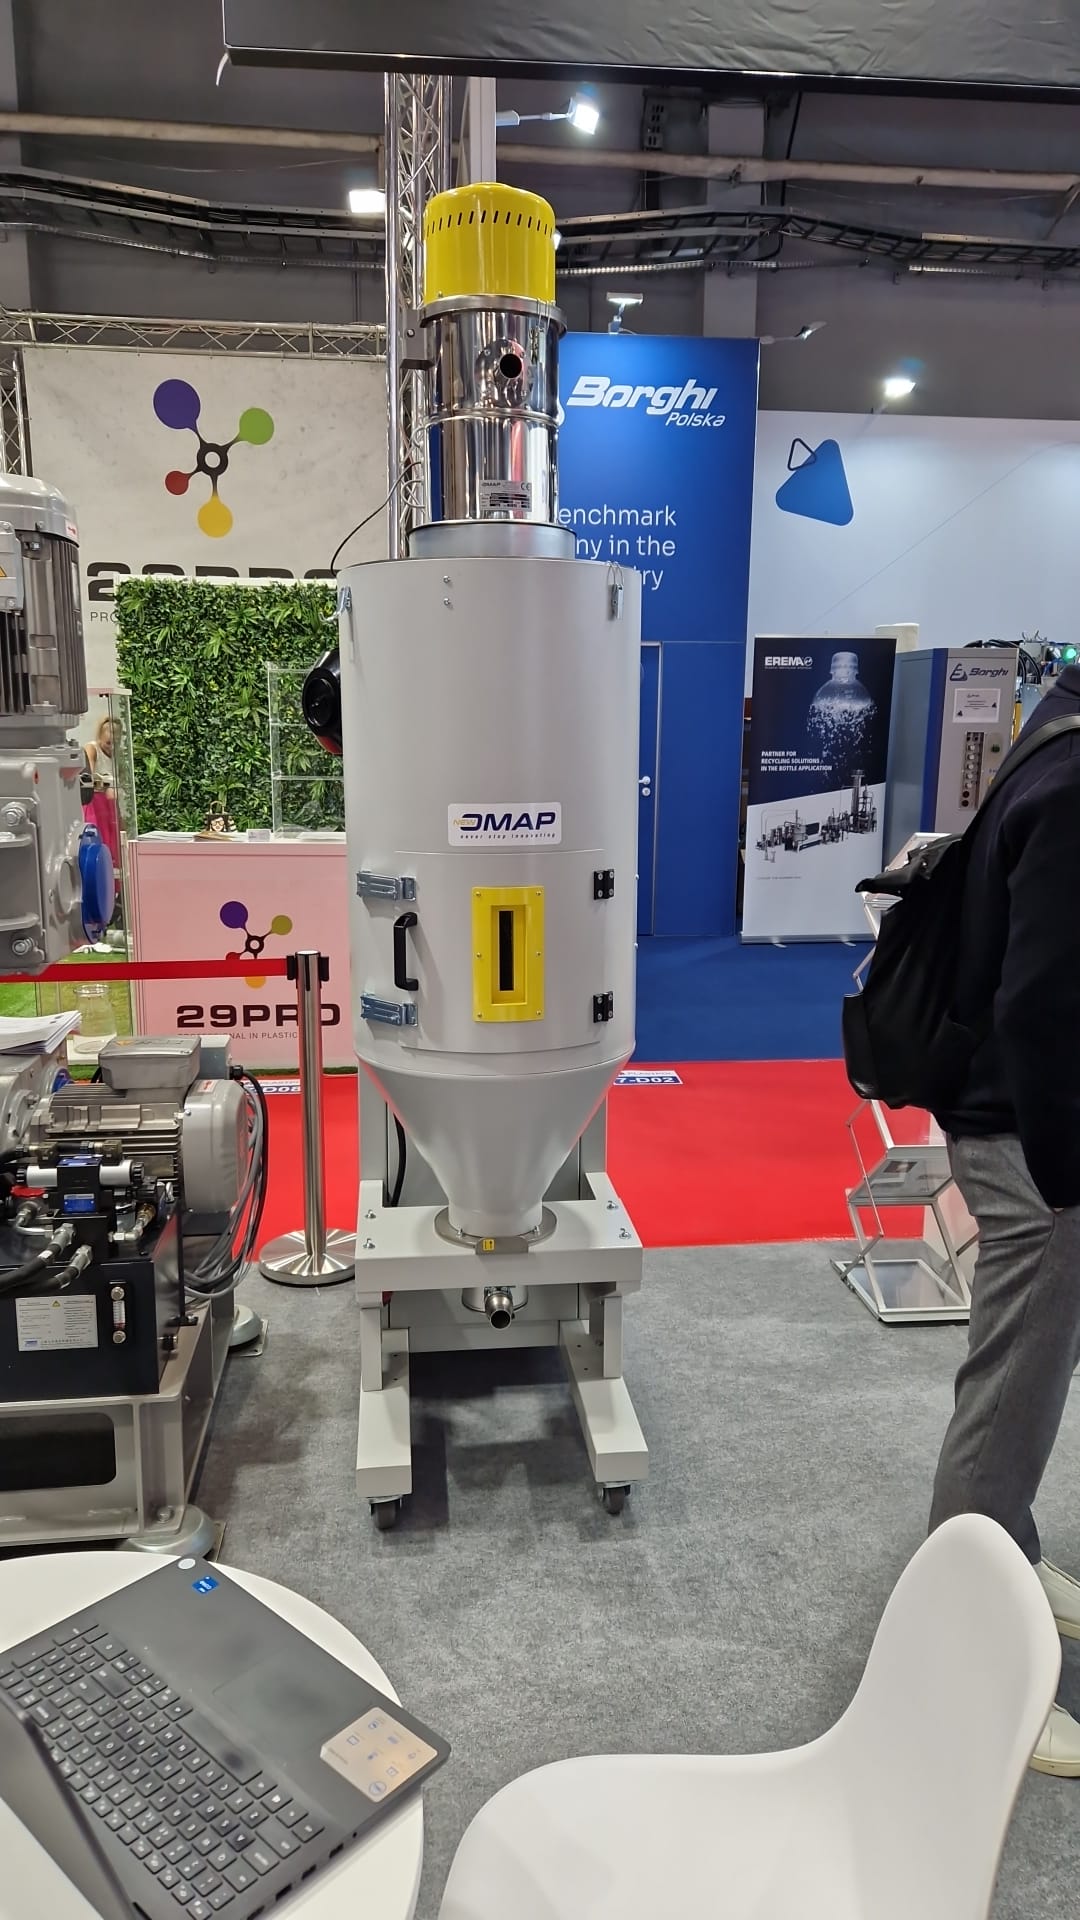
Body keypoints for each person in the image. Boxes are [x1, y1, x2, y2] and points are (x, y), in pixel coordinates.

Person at [930, 659, 1080, 1777]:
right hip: (1037, 1145)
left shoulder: (1057, 726)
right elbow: (1044, 1004)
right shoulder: (1075, 777)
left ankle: (1006, 1556)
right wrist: (1069, 1176)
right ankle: (967, 1663)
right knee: (1012, 1392)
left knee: (1022, 1378)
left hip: (1022, 1128)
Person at [82, 714, 122, 872]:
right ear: (100, 736)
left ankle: (114, 883)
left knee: (115, 846)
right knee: (99, 843)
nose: (111, 747)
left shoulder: (118, 755)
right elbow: (88, 777)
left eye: (115, 743)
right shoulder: (92, 749)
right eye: (108, 743)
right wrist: (106, 785)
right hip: (95, 804)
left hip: (111, 805)